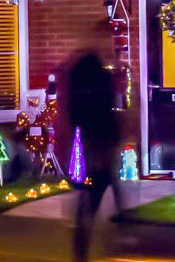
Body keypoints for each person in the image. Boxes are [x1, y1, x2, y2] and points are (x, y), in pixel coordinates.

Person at [65, 50, 121, 262]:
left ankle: (82, 245)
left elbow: (73, 116)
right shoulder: (101, 85)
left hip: (88, 143)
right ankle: (108, 230)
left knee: (88, 192)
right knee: (103, 184)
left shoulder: (79, 90)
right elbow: (109, 113)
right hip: (100, 143)